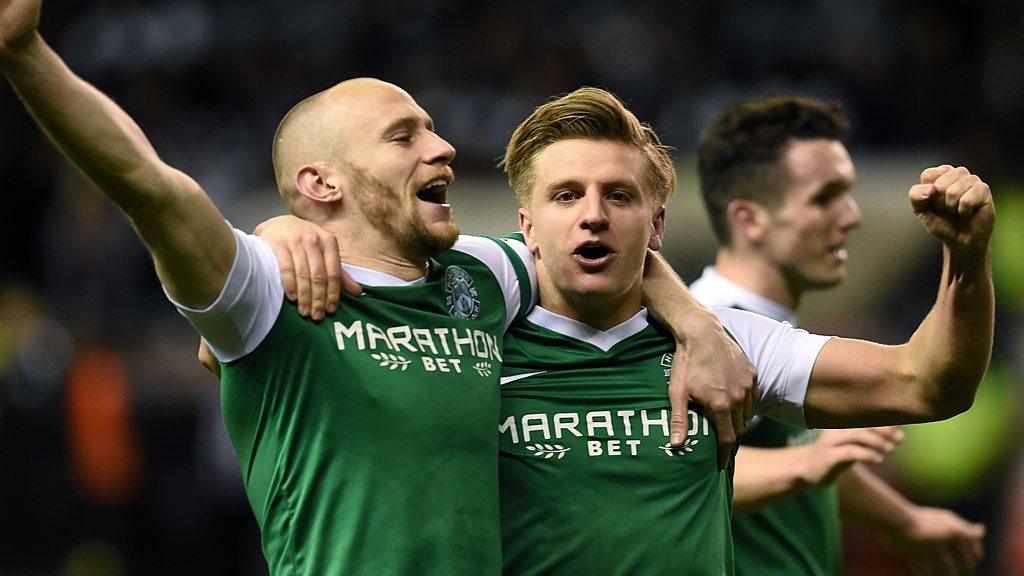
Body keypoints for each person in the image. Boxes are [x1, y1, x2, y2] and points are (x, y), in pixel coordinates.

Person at [0, 3, 755, 574]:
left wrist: (695, 323)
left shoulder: (484, 275)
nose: (443, 146)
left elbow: (602, 252)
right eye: (406, 136)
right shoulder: (265, 291)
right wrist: (25, 52)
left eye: (431, 128)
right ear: (319, 181)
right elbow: (151, 189)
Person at [492, 87, 993, 575]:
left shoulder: (726, 344)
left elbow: (925, 385)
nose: (594, 215)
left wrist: (966, 257)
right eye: (566, 196)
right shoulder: (482, 346)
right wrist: (810, 469)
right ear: (528, 226)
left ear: (657, 225)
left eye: (619, 196)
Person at [690, 95, 986, 575]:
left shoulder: (772, 338)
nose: (851, 216)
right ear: (749, 220)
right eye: (824, 197)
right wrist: (806, 465)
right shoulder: (704, 336)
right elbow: (670, 474)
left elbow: (796, 452)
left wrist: (901, 519)